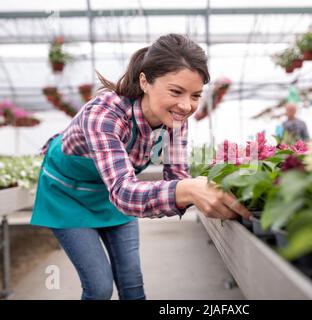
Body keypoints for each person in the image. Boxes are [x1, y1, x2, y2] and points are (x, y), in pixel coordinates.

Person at [30, 34, 251, 300]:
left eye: (195, 96)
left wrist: (222, 189)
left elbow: (177, 177)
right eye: (176, 91)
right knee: (99, 288)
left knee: (132, 284)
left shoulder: (176, 119)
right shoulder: (104, 114)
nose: (186, 105)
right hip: (68, 195)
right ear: (145, 81)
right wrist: (189, 190)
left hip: (112, 192)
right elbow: (125, 193)